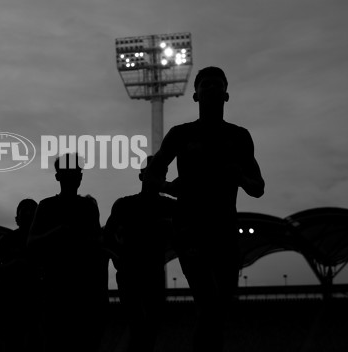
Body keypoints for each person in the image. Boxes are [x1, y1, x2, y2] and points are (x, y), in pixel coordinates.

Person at [144, 66, 265, 352]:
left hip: (224, 231)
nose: (210, 88)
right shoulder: (181, 134)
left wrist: (242, 178)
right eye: (205, 85)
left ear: (226, 95)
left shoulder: (239, 137)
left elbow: (258, 187)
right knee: (209, 303)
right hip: (190, 230)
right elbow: (151, 175)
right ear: (195, 95)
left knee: (217, 310)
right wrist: (170, 188)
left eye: (216, 84)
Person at [27, 154, 108, 352]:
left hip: (72, 291)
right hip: (63, 290)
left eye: (76, 173)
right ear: (59, 177)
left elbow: (32, 243)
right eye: (72, 173)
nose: (76, 177)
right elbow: (31, 243)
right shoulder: (50, 206)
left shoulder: (80, 207)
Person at [103, 156, 176, 352]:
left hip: (149, 272)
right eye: (152, 173)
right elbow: (106, 238)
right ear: (141, 176)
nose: (155, 178)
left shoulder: (170, 207)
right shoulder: (125, 205)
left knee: (146, 328)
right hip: (133, 273)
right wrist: (118, 259)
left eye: (159, 174)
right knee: (140, 326)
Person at [0, 198, 40, 352]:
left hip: (32, 301)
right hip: (14, 302)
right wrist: (13, 265)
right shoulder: (7, 240)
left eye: (32, 213)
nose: (29, 216)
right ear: (18, 219)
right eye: (26, 213)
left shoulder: (41, 242)